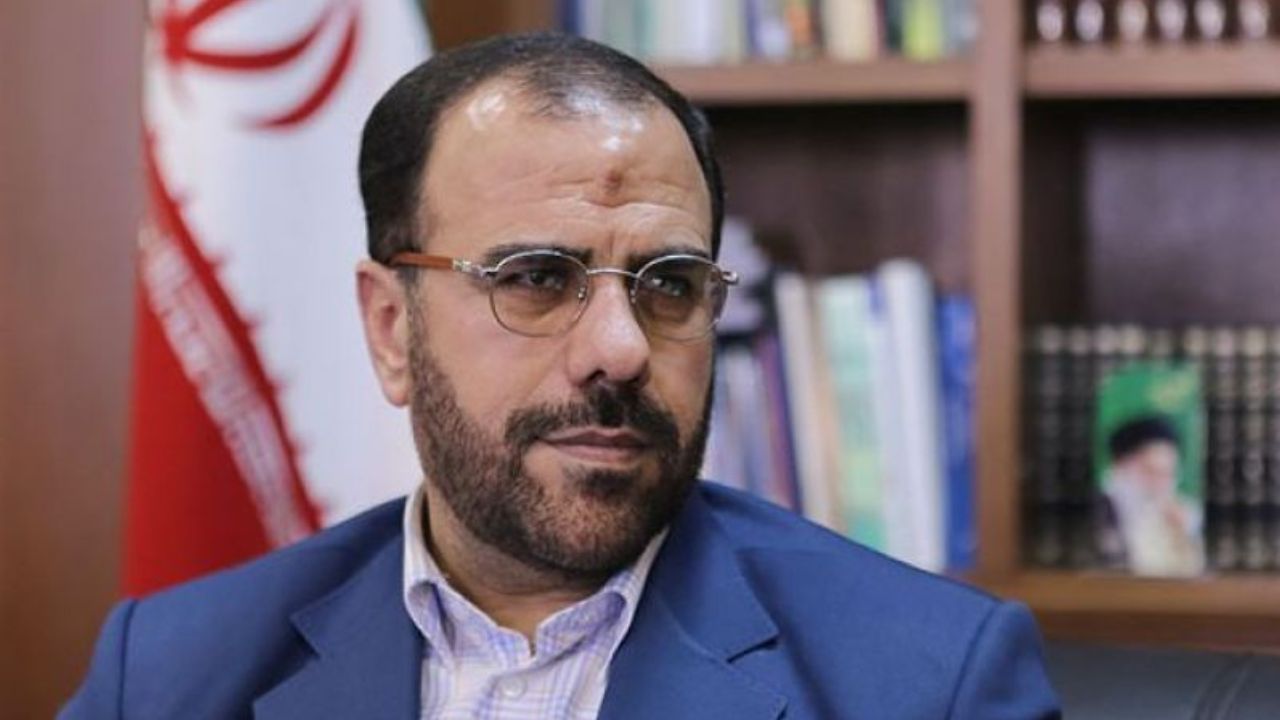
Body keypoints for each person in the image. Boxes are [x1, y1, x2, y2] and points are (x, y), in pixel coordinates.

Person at [63, 33, 1060, 719]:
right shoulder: (168, 673)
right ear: (390, 329)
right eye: (537, 279)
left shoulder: (927, 682)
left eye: (669, 285)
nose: (620, 349)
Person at [1096, 415, 1205, 577]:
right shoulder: (1099, 510)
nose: (1160, 484)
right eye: (1150, 471)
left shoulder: (1182, 515)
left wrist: (1186, 536)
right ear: (1120, 467)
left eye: (1168, 474)